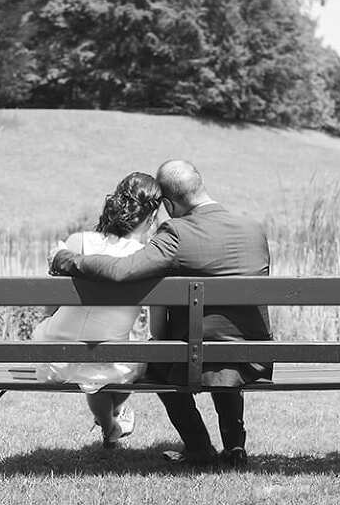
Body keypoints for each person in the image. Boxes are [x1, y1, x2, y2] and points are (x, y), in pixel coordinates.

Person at [51, 160, 272, 468]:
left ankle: (199, 448)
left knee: (158, 364)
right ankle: (234, 446)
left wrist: (64, 259)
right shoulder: (253, 229)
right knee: (224, 351)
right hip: (252, 358)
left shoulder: (177, 233)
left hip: (196, 361)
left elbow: (121, 270)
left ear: (168, 203)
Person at [33, 171, 165, 449]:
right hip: (110, 362)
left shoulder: (77, 243)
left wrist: (50, 326)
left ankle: (111, 425)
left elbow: (50, 305)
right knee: (121, 365)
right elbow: (156, 330)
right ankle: (112, 419)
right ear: (152, 218)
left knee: (95, 370)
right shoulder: (148, 259)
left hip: (52, 356)